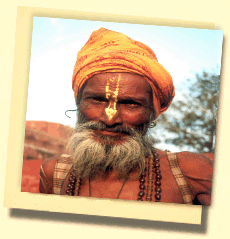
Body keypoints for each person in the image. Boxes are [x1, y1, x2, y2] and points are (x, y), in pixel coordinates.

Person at [39, 27, 213, 205]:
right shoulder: (55, 173)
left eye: (131, 104)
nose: (110, 119)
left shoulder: (191, 173)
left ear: (152, 113)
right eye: (97, 100)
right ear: (79, 103)